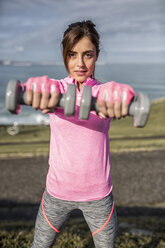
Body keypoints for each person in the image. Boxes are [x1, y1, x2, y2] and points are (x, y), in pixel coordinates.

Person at [25, 20, 135, 248]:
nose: (80, 63)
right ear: (64, 55)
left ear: (97, 55)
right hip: (56, 194)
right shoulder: (58, 90)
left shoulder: (102, 94)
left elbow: (117, 91)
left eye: (88, 55)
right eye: (72, 55)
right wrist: (36, 87)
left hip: (99, 197)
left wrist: (122, 93)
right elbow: (45, 86)